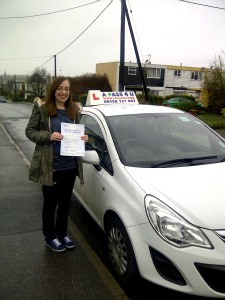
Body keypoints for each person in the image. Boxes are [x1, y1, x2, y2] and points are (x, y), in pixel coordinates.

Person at [25, 76, 88, 253]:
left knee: (65, 203)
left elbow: (77, 134)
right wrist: (48, 136)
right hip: (50, 166)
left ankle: (62, 234)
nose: (63, 92)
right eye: (60, 88)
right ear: (54, 90)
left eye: (67, 89)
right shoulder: (43, 108)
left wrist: (83, 138)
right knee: (50, 203)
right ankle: (50, 237)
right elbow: (30, 131)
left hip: (70, 165)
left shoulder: (74, 110)